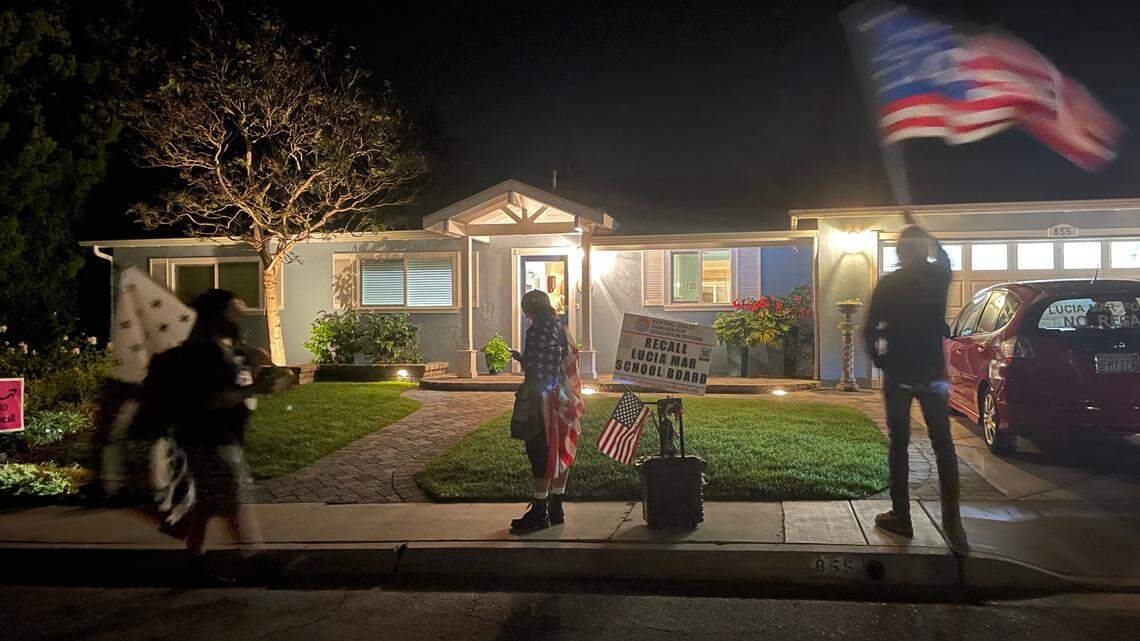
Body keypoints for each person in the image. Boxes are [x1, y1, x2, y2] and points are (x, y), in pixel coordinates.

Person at [139, 289, 290, 572]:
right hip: (210, 439)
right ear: (218, 316)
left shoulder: (218, 349)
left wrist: (255, 365)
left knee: (210, 502)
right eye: (234, 311)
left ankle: (193, 559)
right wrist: (256, 388)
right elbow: (211, 398)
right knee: (232, 498)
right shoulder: (205, 352)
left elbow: (233, 387)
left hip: (214, 438)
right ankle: (253, 557)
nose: (240, 317)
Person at [864, 216, 969, 553]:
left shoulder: (889, 284)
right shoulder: (938, 277)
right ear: (924, 250)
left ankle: (902, 516)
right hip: (933, 376)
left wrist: (881, 360)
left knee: (899, 445)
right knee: (943, 445)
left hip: (899, 376)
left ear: (898, 252)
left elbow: (868, 329)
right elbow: (945, 257)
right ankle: (953, 525)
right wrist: (924, 230)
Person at [507, 289, 584, 532]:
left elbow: (540, 372)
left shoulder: (538, 330)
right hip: (567, 400)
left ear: (528, 310)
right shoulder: (561, 329)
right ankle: (556, 507)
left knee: (540, 452)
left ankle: (540, 512)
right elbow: (561, 361)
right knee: (562, 450)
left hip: (546, 403)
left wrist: (527, 368)